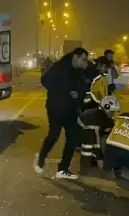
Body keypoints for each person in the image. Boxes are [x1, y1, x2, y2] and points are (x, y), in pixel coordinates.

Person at [35, 47, 90, 180]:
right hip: (56, 107)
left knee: (73, 136)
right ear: (75, 57)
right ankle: (41, 158)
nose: (85, 62)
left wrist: (78, 95)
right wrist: (65, 92)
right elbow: (45, 80)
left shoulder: (80, 71)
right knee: (54, 134)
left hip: (70, 109)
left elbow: (82, 88)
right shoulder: (60, 66)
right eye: (83, 59)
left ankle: (63, 169)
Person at [77, 95, 119, 175]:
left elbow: (111, 129)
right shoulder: (95, 118)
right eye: (112, 111)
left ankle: (93, 163)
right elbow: (95, 142)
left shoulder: (103, 116)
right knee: (88, 146)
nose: (113, 114)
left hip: (87, 130)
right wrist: (100, 158)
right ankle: (85, 169)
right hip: (79, 132)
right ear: (106, 108)